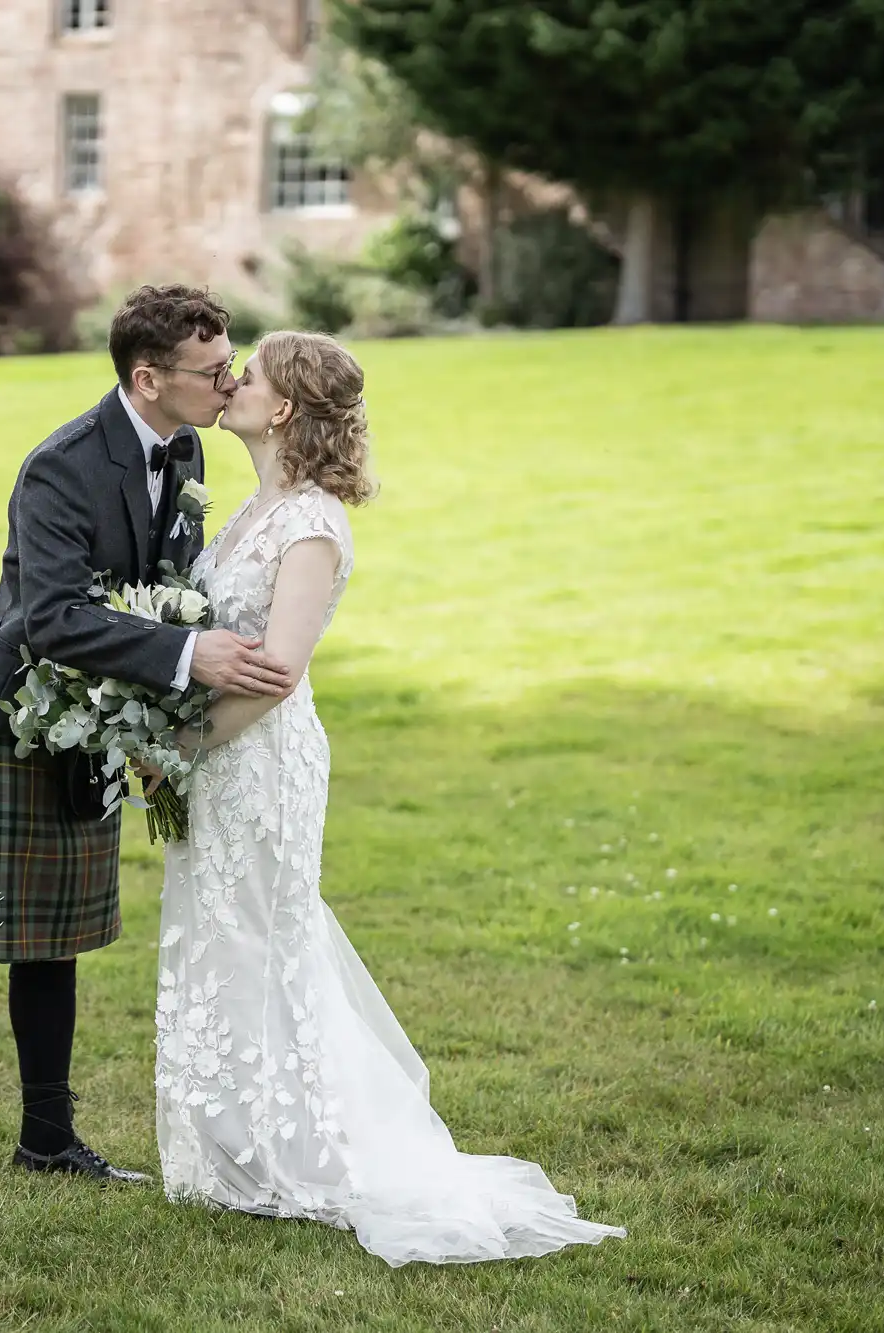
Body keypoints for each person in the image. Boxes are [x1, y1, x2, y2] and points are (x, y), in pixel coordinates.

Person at [154, 331, 628, 1265]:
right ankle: (225, 1150)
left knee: (264, 933)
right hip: (215, 753)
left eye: (250, 373)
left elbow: (280, 670)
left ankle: (297, 1154)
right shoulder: (252, 508)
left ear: (284, 407)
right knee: (215, 930)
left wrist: (182, 746)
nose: (233, 381)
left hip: (259, 757)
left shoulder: (313, 525)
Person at [0, 285, 293, 1220]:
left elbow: (159, 583)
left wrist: (153, 716)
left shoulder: (181, 449)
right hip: (13, 721)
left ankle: (47, 1137)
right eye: (210, 368)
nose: (227, 380)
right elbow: (53, 617)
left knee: (51, 942)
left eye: (230, 362)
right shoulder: (59, 467)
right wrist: (189, 655)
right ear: (149, 377)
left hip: (95, 724)